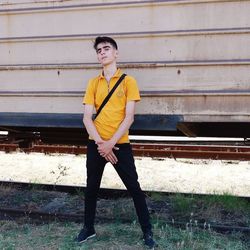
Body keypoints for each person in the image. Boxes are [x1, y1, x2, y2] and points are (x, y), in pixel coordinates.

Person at [75, 36, 157, 249]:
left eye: (106, 49)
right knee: (91, 187)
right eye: (99, 50)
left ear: (116, 53)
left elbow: (129, 117)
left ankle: (147, 231)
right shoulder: (93, 83)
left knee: (134, 188)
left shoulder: (129, 81)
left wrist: (110, 143)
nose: (102, 52)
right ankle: (88, 229)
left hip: (119, 144)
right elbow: (86, 117)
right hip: (97, 145)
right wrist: (102, 144)